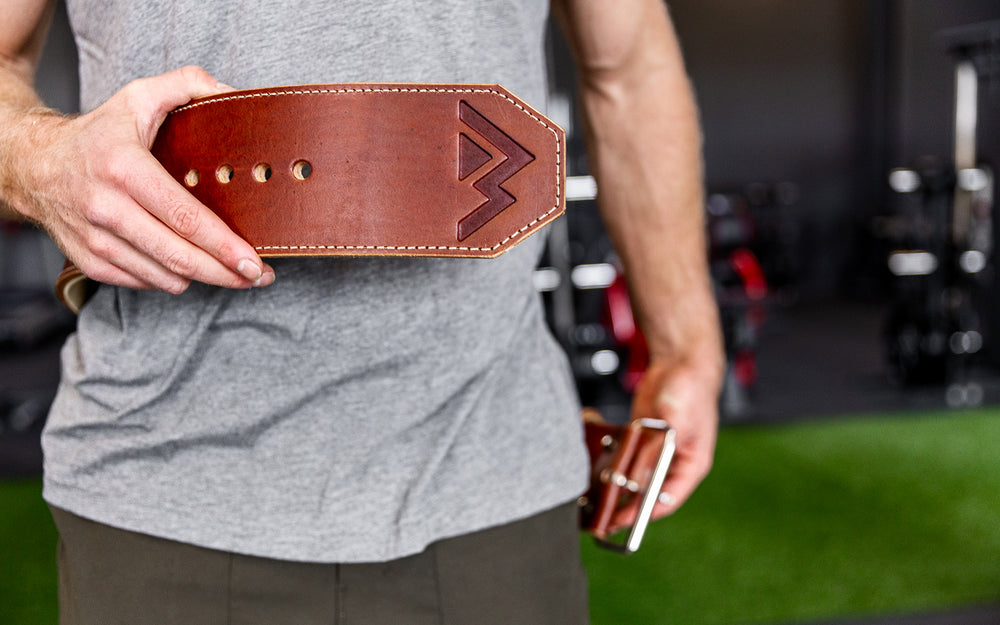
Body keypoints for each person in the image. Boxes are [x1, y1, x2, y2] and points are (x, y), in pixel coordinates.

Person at [0, 0, 724, 623]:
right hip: (160, 495)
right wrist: (40, 159)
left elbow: (628, 67)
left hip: (494, 488)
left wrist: (686, 341)